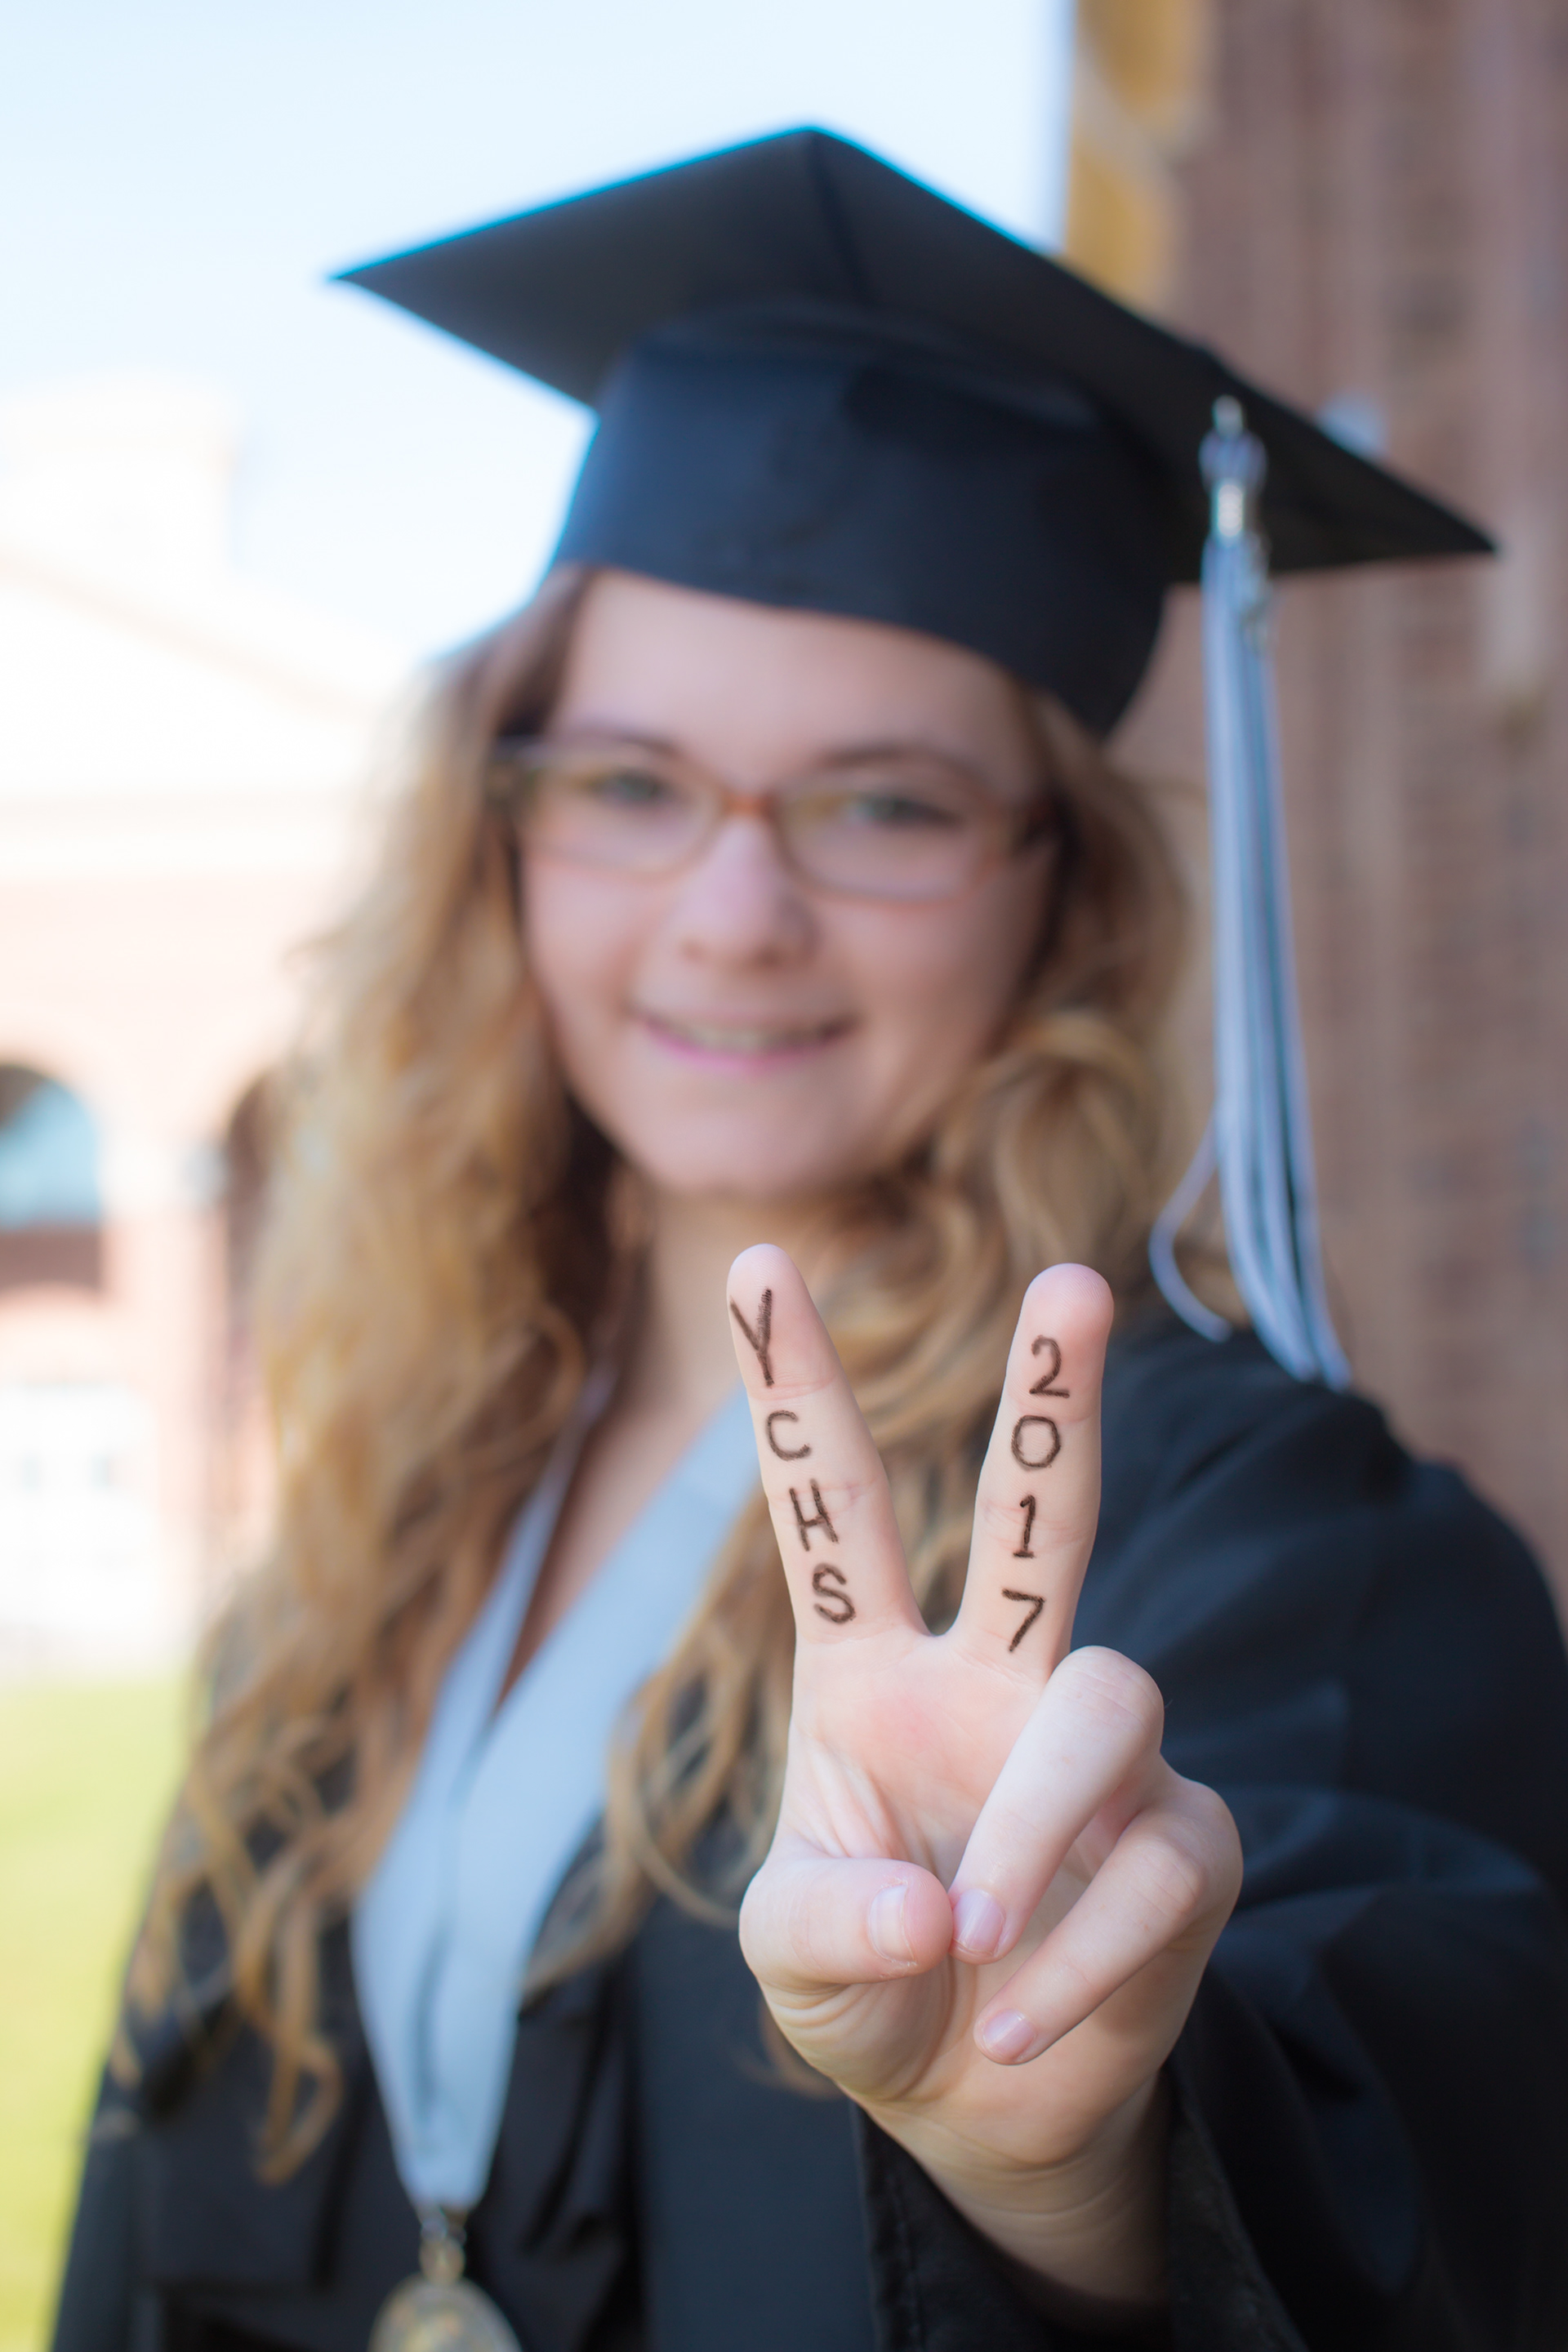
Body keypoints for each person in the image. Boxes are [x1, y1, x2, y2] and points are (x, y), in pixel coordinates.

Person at [51, 131, 1568, 2352]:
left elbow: (1426, 2155)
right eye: (631, 784)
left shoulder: (1273, 1541)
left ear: (1065, 883)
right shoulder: (394, 1495)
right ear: (502, 830)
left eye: (883, 803)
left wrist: (1075, 2171)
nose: (734, 913)